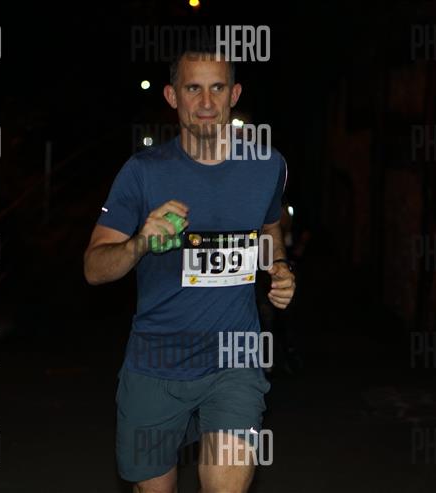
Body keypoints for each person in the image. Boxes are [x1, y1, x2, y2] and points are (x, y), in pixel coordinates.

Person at [83, 46, 295, 493]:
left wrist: (277, 264)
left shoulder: (267, 166)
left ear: (234, 93)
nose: (206, 102)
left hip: (235, 360)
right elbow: (94, 269)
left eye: (217, 88)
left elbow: (270, 225)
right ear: (172, 96)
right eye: (192, 88)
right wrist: (140, 242)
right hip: (156, 363)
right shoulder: (142, 172)